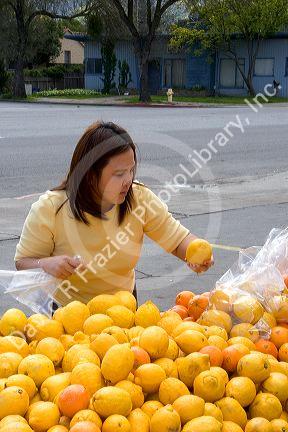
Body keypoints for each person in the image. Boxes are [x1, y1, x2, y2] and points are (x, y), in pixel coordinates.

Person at [14, 121, 214, 309]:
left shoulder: (139, 199)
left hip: (123, 310)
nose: (128, 180)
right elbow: (23, 262)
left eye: (131, 170)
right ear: (90, 174)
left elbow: (178, 240)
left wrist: (197, 256)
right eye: (119, 174)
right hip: (68, 315)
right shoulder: (50, 208)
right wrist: (44, 264)